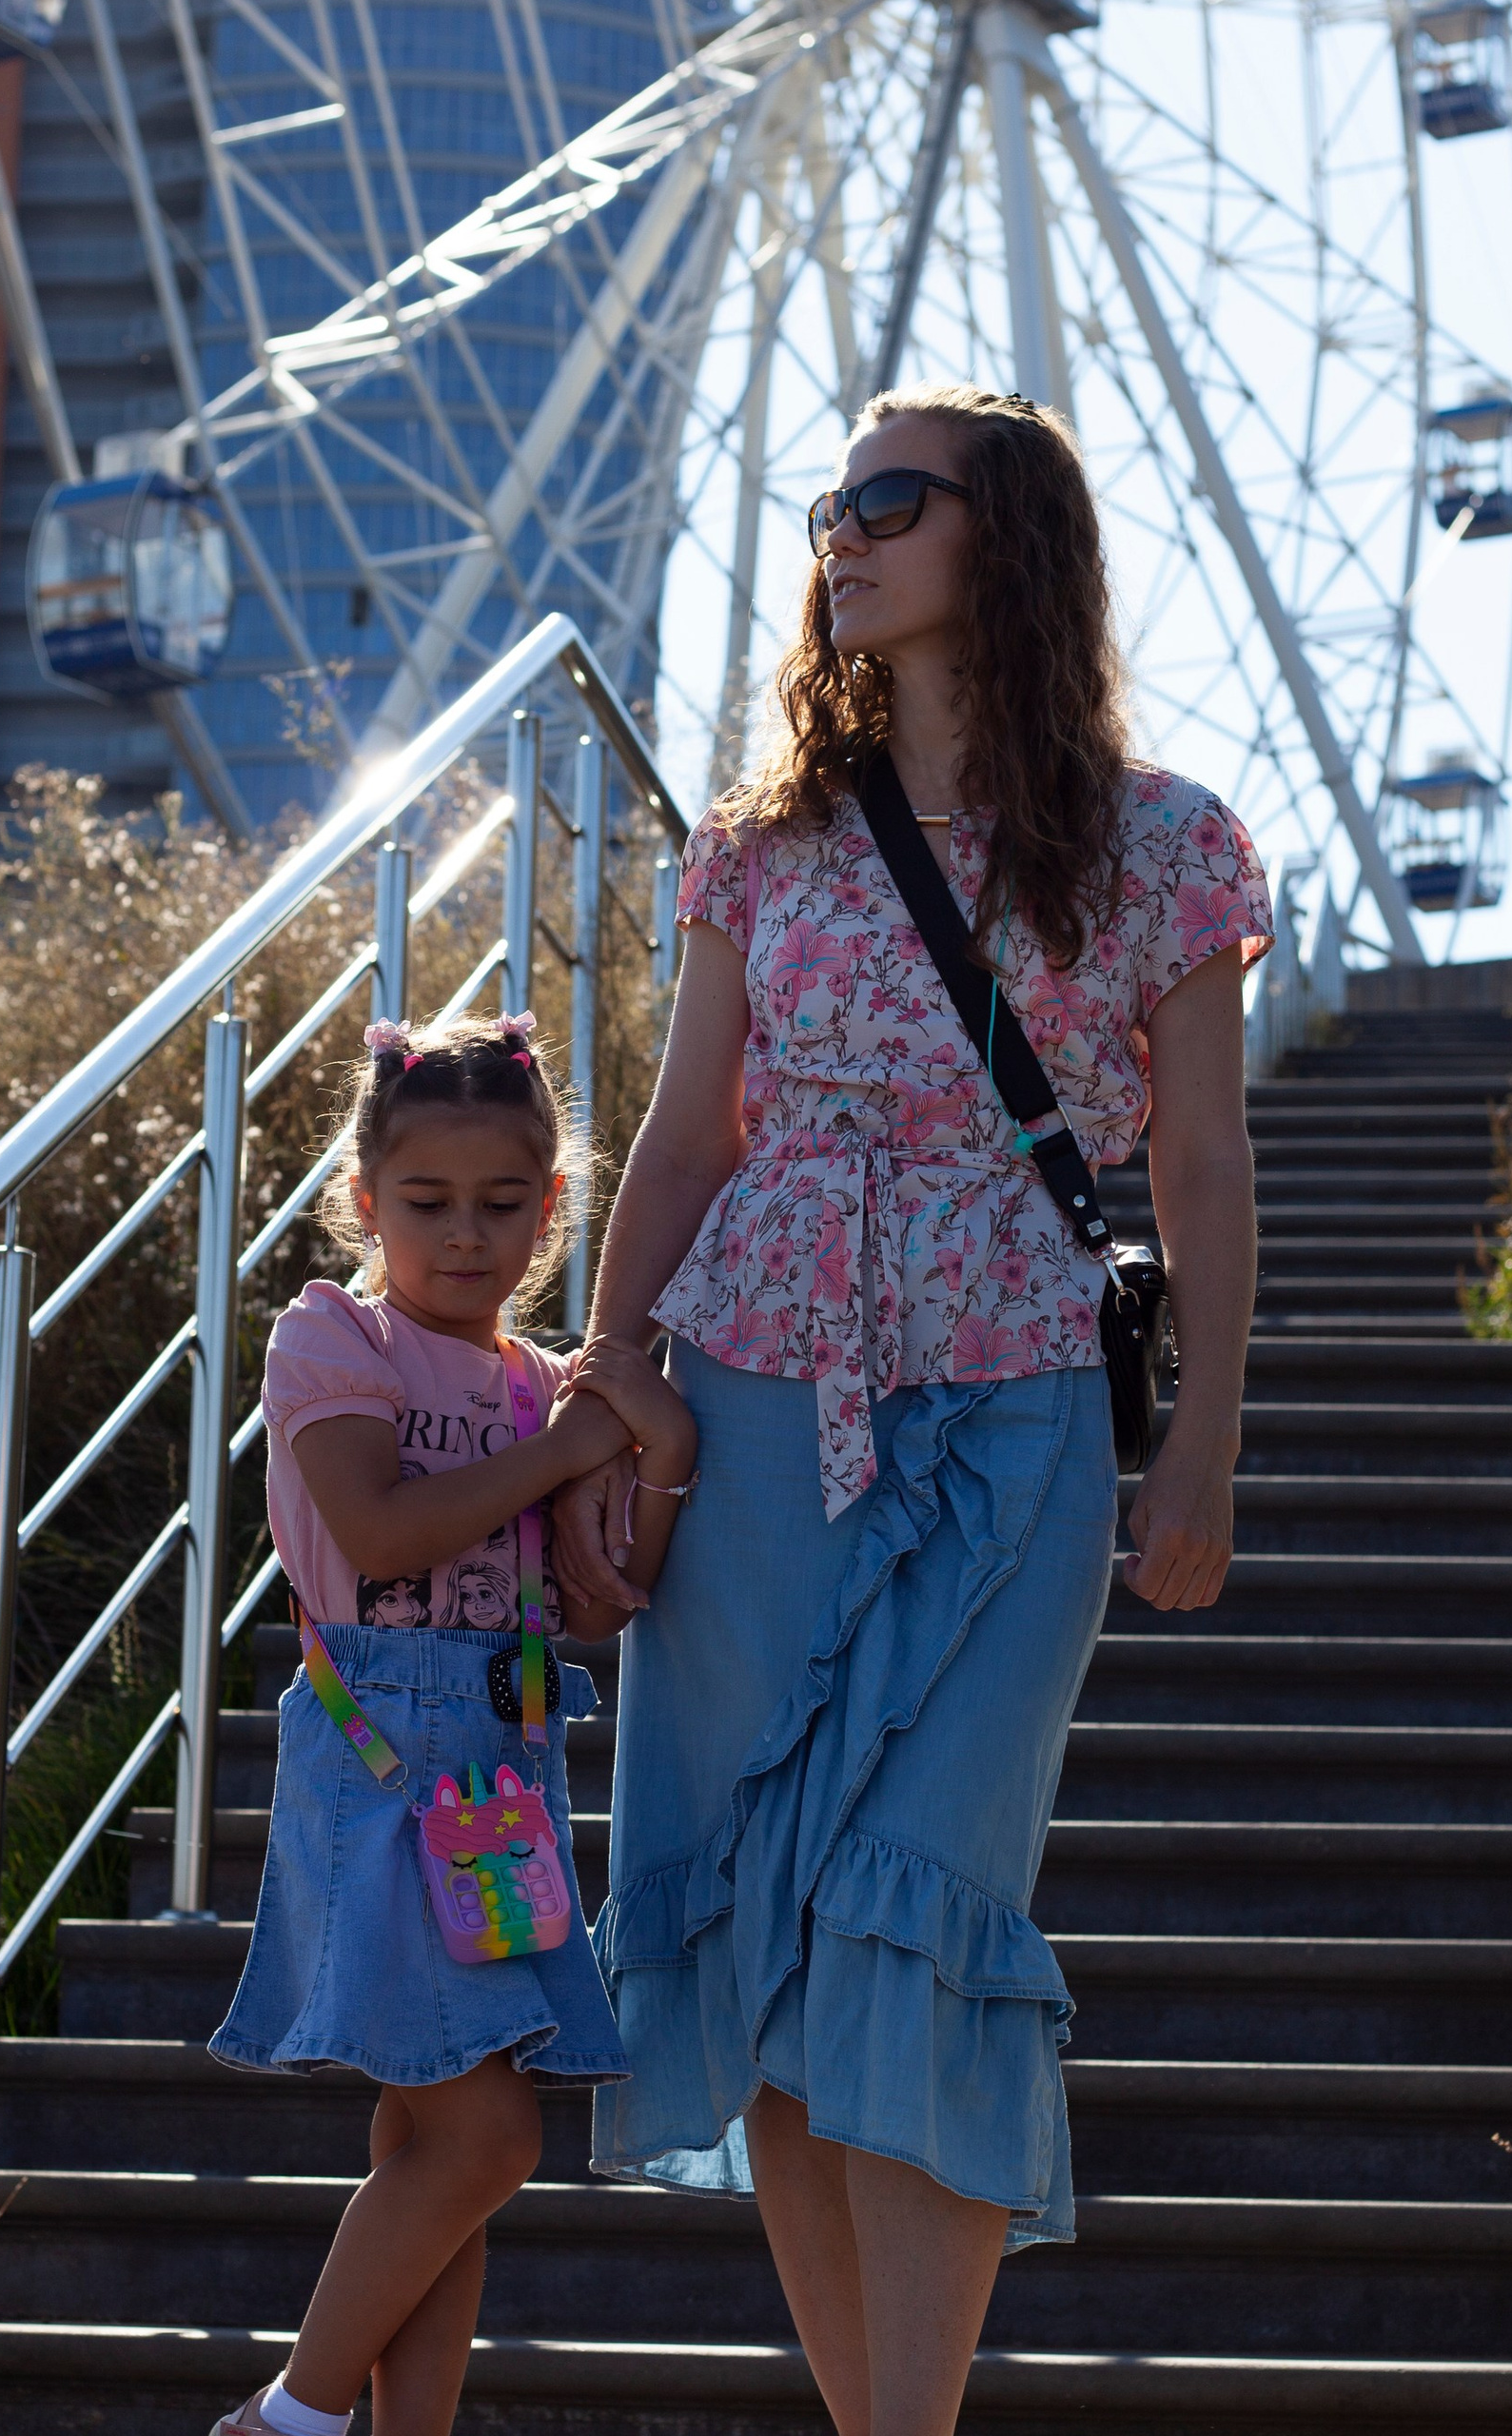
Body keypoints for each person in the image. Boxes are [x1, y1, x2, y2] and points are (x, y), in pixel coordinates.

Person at [553, 383, 1270, 2436]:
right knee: (768, 1937)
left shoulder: (1164, 845)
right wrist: (613, 1381)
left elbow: (1203, 1167)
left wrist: (1201, 1438)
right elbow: (684, 1138)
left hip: (1015, 1414)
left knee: (923, 1917)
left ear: (1005, 538)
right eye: (826, 502)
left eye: (887, 497)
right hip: (757, 1403)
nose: (839, 533)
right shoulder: (755, 845)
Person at [206, 1009, 697, 2436]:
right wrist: (562, 1451)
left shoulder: (541, 1383)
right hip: (381, 1761)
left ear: (554, 1213)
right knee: (488, 2135)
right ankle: (289, 2418)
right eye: (427, 1204)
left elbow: (603, 1608)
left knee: (434, 2138)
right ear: (366, 1201)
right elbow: (379, 1530)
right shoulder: (332, 1333)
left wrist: (652, 1458)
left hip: (506, 1772)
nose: (465, 1236)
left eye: (501, 1205)